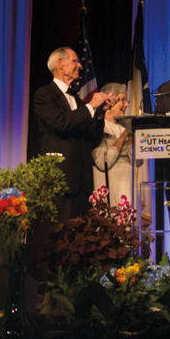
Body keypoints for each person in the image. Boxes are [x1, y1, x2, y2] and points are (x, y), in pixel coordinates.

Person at [31, 47, 109, 215]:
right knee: (61, 229)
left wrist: (100, 113)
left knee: (81, 230)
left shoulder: (78, 101)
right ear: (60, 64)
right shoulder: (45, 94)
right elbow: (60, 124)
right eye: (75, 61)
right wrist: (91, 106)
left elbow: (92, 136)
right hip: (61, 178)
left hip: (83, 181)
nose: (79, 66)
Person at [92, 82, 134, 207]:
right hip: (111, 188)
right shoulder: (98, 128)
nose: (127, 104)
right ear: (110, 101)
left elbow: (138, 161)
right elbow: (102, 163)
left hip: (128, 186)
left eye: (127, 100)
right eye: (123, 100)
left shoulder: (125, 127)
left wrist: (131, 140)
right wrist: (123, 136)